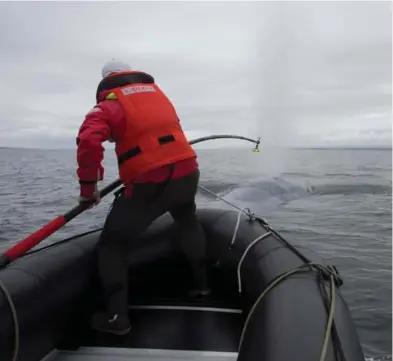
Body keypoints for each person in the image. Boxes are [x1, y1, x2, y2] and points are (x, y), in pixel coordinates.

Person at [76, 60, 210, 335]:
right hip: (187, 169)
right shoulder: (158, 96)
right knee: (187, 220)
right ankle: (203, 285)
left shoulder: (109, 103)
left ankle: (117, 319)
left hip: (150, 181)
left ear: (107, 80)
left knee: (113, 245)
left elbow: (89, 140)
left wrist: (89, 190)